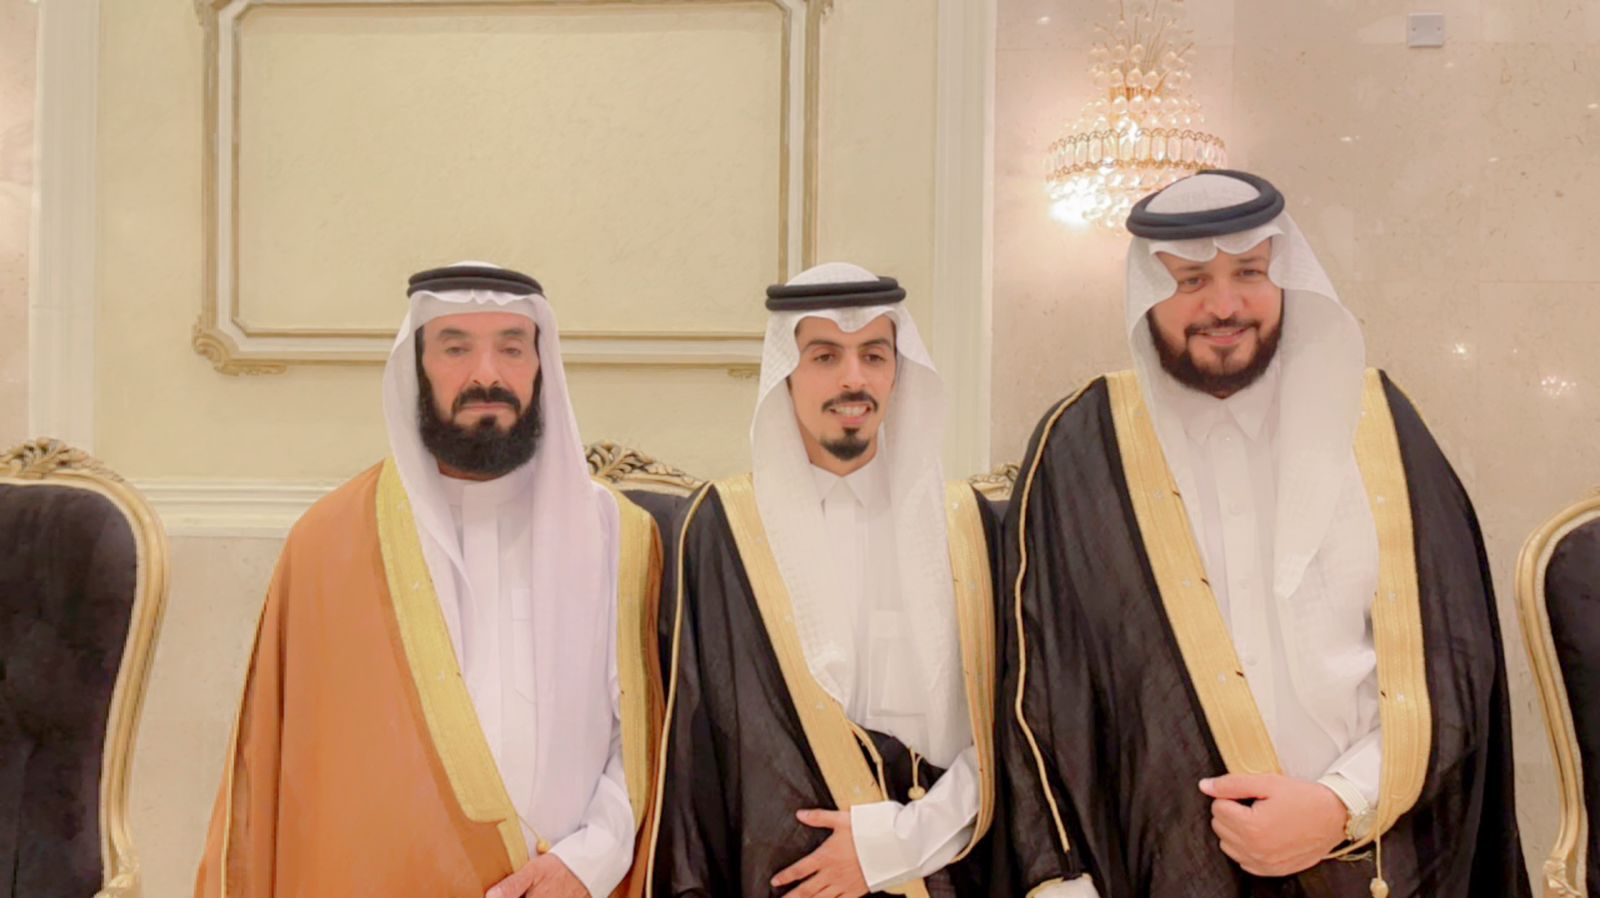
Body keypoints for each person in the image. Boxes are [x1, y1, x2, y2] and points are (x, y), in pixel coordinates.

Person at [999, 172, 1529, 897]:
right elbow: (1037, 685)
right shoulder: (1084, 444)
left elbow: (1455, 658)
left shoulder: (1377, 426)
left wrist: (1340, 802)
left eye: (1249, 272)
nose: (1224, 306)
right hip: (1161, 868)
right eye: (1190, 280)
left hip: (1380, 858)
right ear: (1147, 292)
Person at [195, 263, 662, 898]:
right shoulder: (330, 543)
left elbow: (642, 735)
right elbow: (289, 769)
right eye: (455, 348)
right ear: (416, 368)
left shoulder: (619, 536)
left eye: (511, 348)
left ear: (540, 366)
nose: (486, 375)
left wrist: (589, 863)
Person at [648, 262, 998, 898]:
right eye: (825, 356)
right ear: (786, 372)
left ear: (899, 372)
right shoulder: (725, 529)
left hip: (944, 869)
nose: (853, 379)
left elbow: (1015, 730)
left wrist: (895, 846)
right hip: (776, 876)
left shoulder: (968, 531)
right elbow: (694, 756)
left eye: (874, 355)